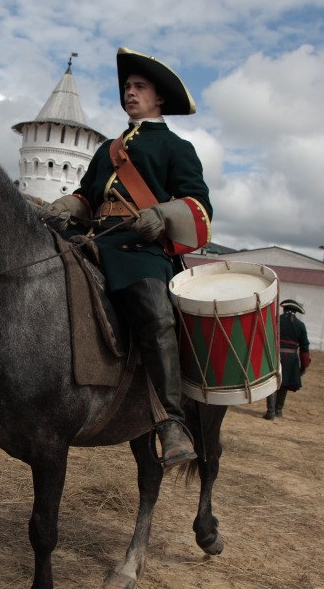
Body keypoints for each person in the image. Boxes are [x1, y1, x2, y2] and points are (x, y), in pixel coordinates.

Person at [46, 47, 212, 469]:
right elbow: (89, 195)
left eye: (139, 87)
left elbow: (199, 205)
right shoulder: (107, 149)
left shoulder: (178, 147)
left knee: (156, 316)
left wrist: (161, 213)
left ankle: (172, 422)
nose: (130, 93)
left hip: (142, 252)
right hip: (95, 241)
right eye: (126, 88)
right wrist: (68, 206)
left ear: (159, 99)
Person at [263, 299, 311, 420]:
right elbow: (304, 346)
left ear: (284, 309)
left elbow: (267, 337)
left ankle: (270, 411)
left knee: (273, 383)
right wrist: (304, 365)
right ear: (296, 311)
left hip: (276, 355)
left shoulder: (276, 320)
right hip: (291, 358)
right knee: (284, 384)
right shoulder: (300, 325)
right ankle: (278, 410)